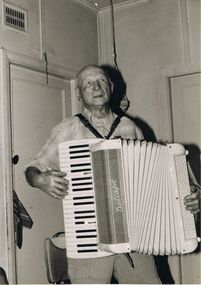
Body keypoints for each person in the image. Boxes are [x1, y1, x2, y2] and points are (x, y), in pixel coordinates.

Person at [25, 64, 200, 284]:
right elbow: (33, 168)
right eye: (88, 84)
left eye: (101, 81)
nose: (96, 87)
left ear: (111, 86)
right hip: (89, 237)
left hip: (135, 236)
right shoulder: (67, 129)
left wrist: (188, 192)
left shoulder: (131, 127)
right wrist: (41, 179)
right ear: (79, 93)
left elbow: (156, 176)